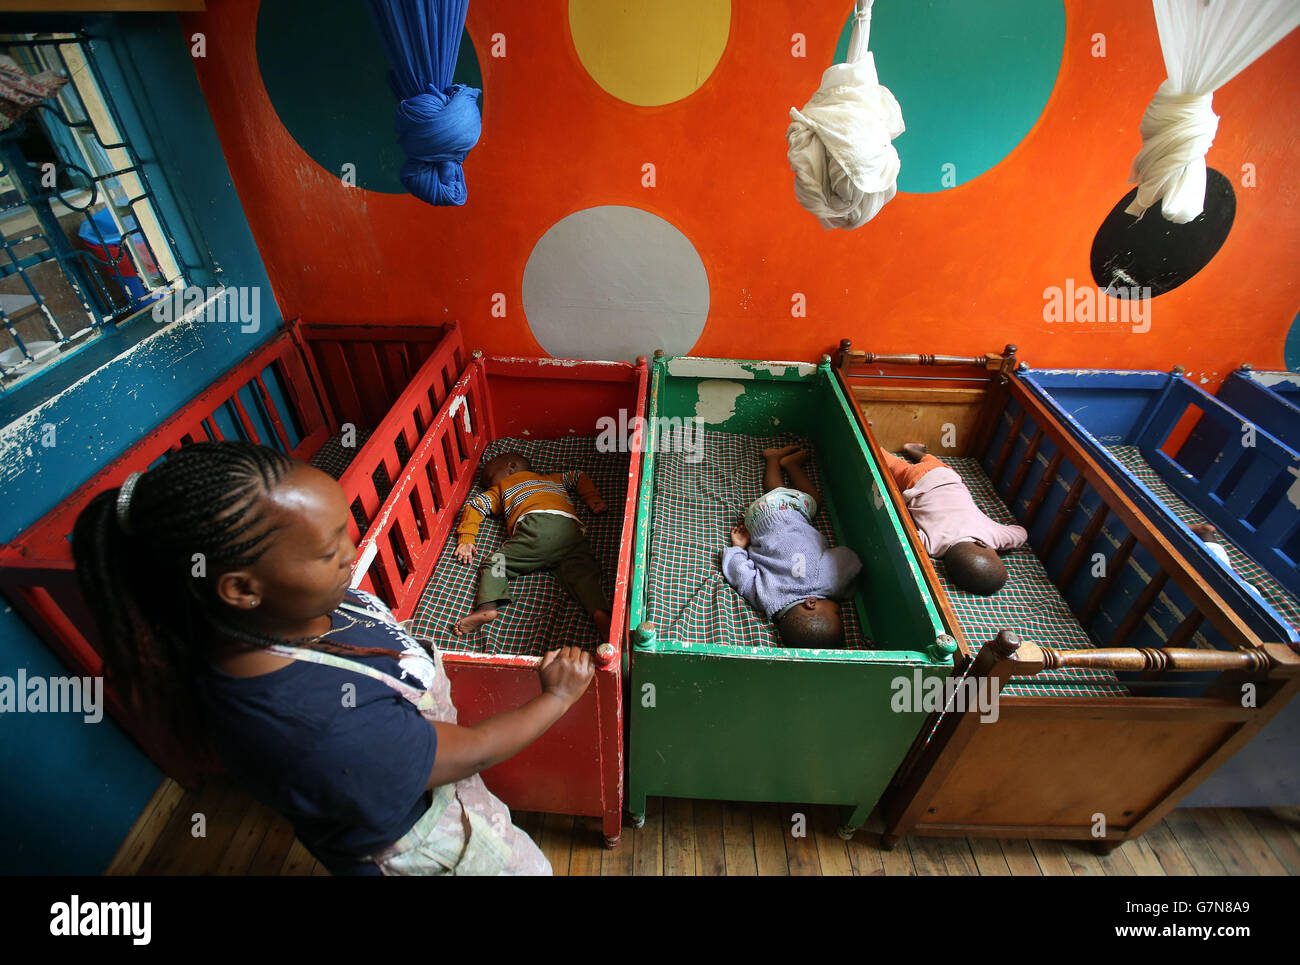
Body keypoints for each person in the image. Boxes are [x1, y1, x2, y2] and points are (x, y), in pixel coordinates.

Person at [71, 440, 593, 876]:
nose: (351, 550)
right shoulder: (319, 724)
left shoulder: (297, 604)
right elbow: (475, 748)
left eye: (346, 526)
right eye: (327, 551)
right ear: (241, 588)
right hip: (432, 848)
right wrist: (557, 697)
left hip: (446, 801)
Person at [452, 450, 611, 638]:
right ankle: (599, 611)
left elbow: (475, 506)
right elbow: (578, 477)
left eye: (488, 478)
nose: (486, 485)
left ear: (510, 467)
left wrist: (467, 538)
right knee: (583, 574)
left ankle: (486, 607)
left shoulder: (502, 486)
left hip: (535, 527)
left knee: (495, 563)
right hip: (569, 531)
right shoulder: (553, 479)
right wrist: (593, 498)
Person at [720, 445, 862, 647]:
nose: (838, 607)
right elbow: (738, 573)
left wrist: (844, 588)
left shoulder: (824, 583)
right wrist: (738, 548)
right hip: (755, 520)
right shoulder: (764, 600)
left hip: (784, 512)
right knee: (777, 490)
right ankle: (778, 460)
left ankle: (787, 463)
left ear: (811, 603)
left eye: (837, 611)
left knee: (813, 499)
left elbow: (849, 558)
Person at [881, 443, 1027, 595]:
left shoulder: (992, 535)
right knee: (893, 465)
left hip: (945, 476)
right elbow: (906, 533)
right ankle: (871, 442)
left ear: (982, 544)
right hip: (915, 485)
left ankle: (917, 453)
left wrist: (999, 544)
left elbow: (1021, 533)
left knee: (931, 462)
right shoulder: (933, 546)